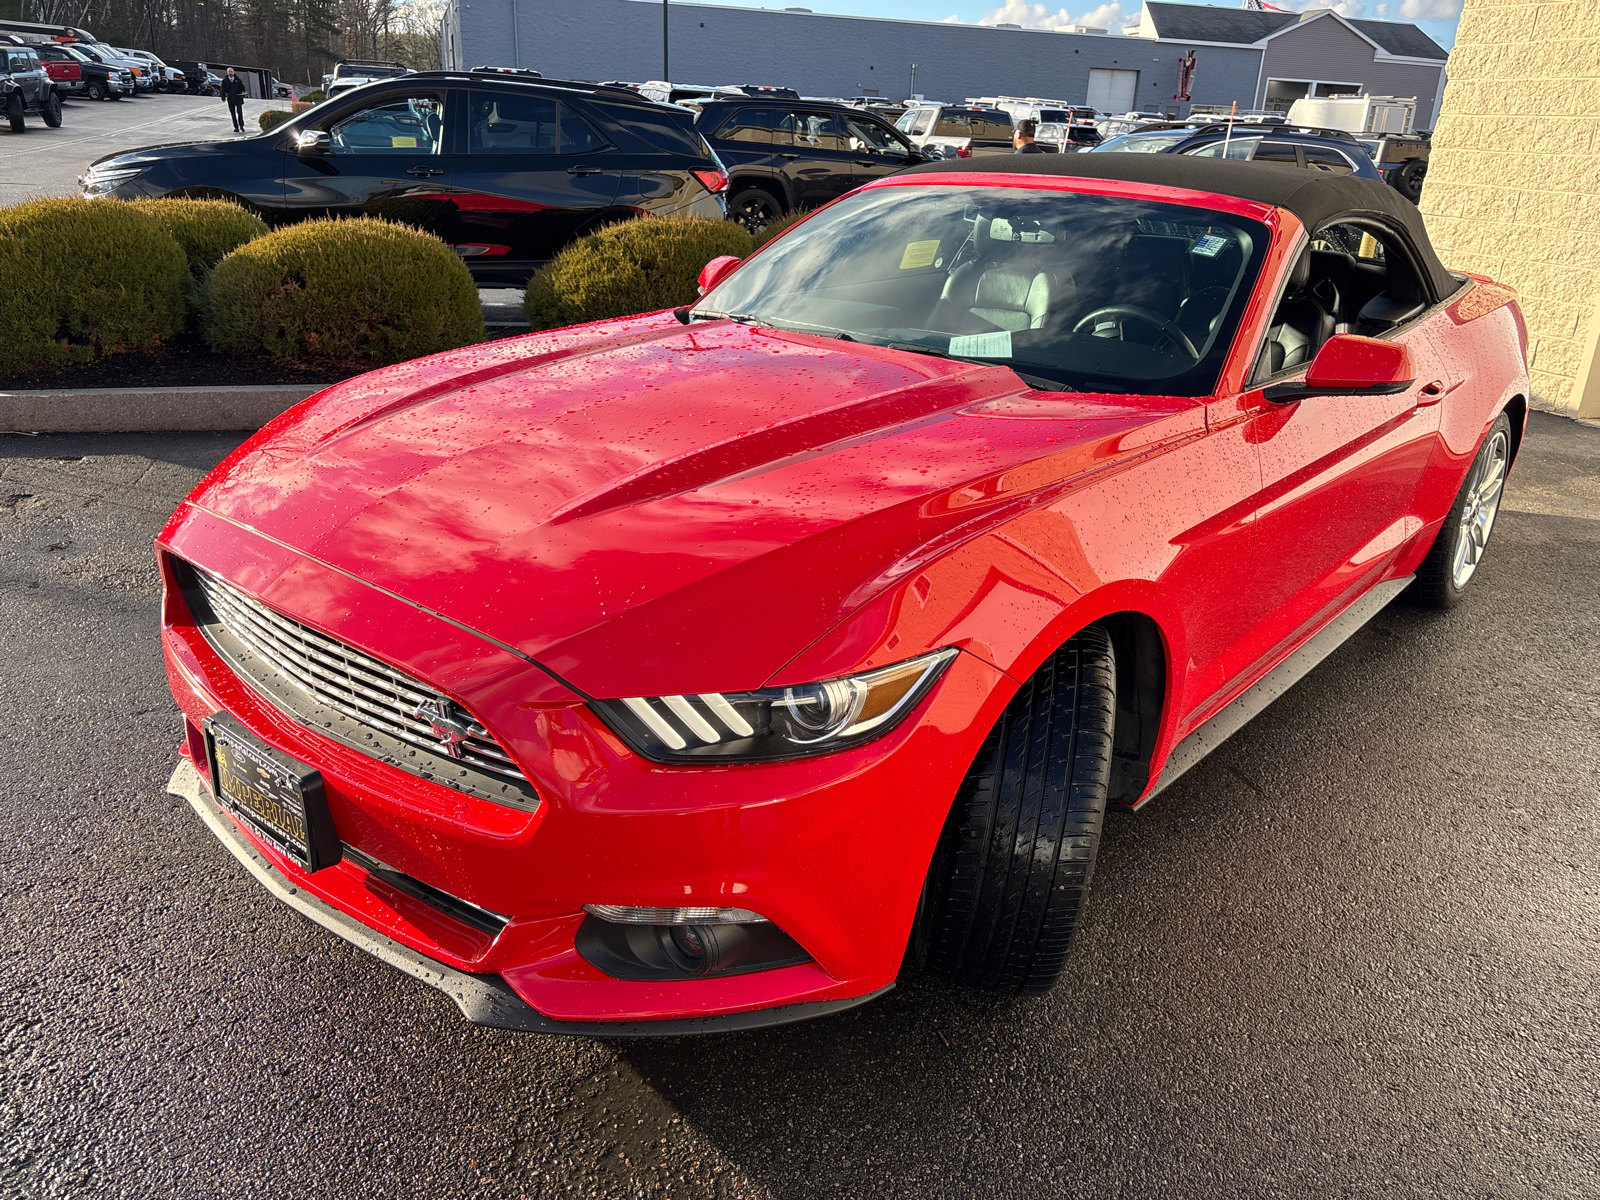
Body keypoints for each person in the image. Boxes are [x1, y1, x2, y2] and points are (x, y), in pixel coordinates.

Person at [221, 66, 247, 133]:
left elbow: (242, 87)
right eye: (229, 71)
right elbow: (222, 89)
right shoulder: (225, 80)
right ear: (227, 72)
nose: (230, 72)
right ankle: (236, 127)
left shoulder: (238, 80)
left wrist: (242, 92)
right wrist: (223, 96)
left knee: (240, 113)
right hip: (230, 99)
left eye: (231, 71)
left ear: (233, 72)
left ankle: (241, 126)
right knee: (233, 114)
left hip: (238, 98)